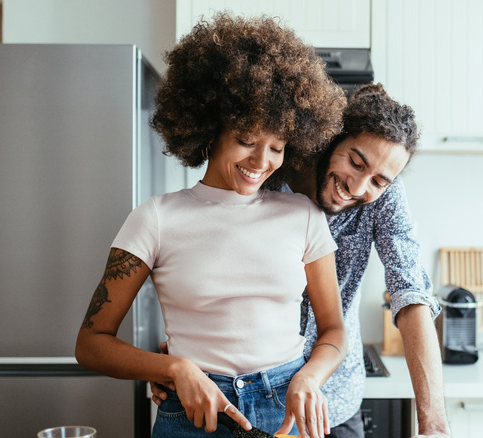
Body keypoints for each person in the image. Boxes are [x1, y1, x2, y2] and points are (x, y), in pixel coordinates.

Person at [75, 12, 348, 438]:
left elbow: (333, 330)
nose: (261, 162)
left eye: (276, 147)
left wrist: (310, 377)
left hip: (284, 411)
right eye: (245, 140)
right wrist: (174, 368)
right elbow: (91, 343)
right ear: (209, 128)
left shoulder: (303, 216)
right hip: (193, 413)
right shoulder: (156, 218)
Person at [152, 83, 453, 437]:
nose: (357, 187)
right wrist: (179, 361)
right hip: (255, 408)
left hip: (336, 404)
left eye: (378, 180)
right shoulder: (261, 176)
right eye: (355, 162)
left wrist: (433, 424)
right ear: (331, 139)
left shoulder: (385, 196)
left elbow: (410, 291)